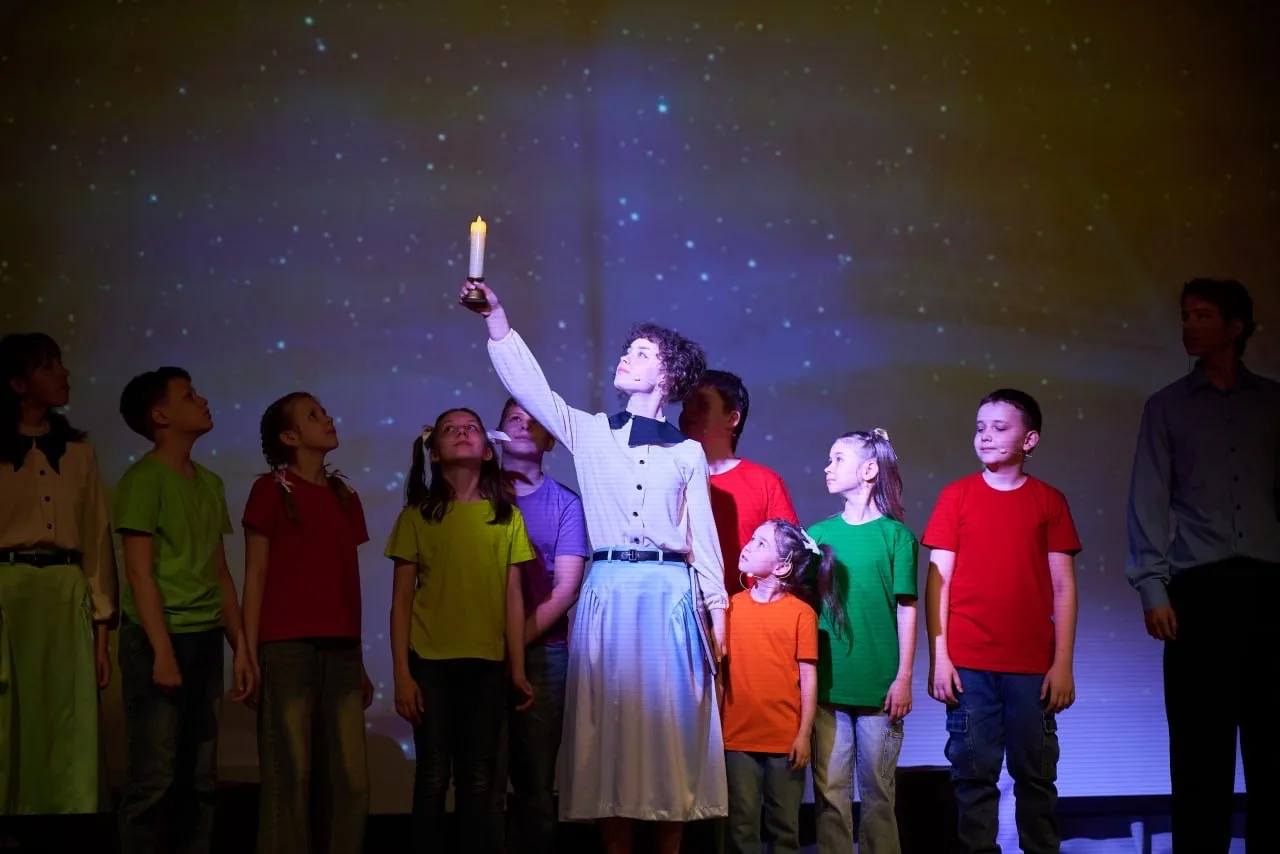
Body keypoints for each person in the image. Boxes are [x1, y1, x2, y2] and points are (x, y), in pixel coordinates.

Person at [462, 281, 728, 854]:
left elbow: (701, 540)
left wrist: (718, 615)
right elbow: (530, 388)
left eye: (641, 353)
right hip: (609, 591)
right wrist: (495, 318)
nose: (626, 357)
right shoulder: (589, 432)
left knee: (670, 730)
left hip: (668, 594)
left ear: (667, 376)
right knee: (610, 730)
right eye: (627, 349)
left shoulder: (686, 453)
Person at [1124, 278, 1279, 853]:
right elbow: (1147, 500)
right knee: (1198, 755)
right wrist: (1152, 588)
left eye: (1203, 315)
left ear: (1235, 327)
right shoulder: (1166, 406)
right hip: (1200, 593)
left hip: (1269, 589)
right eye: (1186, 315)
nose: (1190, 325)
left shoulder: (1273, 404)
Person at [923, 389, 1080, 854]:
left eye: (999, 427)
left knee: (1036, 777)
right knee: (973, 776)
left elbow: (1064, 587)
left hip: (1032, 666)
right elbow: (938, 583)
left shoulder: (1048, 501)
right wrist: (940, 658)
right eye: (980, 428)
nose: (986, 436)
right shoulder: (956, 496)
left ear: (1029, 440)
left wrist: (1063, 664)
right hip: (969, 664)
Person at [114, 366, 255, 854]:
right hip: (159, 637)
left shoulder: (209, 482)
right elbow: (138, 573)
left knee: (200, 776)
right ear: (160, 415)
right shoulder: (143, 480)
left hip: (204, 636)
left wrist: (241, 648)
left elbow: (219, 571)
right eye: (189, 395)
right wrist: (161, 652)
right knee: (153, 776)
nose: (202, 400)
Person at [386, 407, 535, 852]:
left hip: (486, 662)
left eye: (471, 427)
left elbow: (513, 599)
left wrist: (517, 668)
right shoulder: (417, 516)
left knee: (478, 775)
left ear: (488, 451)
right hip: (429, 662)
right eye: (450, 429)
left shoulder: (506, 517)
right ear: (434, 453)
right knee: (433, 771)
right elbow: (401, 601)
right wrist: (402, 674)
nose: (462, 433)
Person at [241, 392, 374, 854]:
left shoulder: (345, 496)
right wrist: (247, 652)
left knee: (351, 780)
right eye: (314, 415)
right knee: (290, 776)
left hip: (341, 651)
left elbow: (346, 583)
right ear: (289, 437)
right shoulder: (271, 490)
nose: (328, 418)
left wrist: (358, 660)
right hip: (286, 648)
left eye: (324, 412)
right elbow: (256, 574)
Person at [0, 333, 116, 815]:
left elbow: (96, 540)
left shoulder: (79, 453)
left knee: (66, 714)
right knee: (10, 711)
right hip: (8, 593)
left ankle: (64, 821)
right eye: (48, 366)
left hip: (66, 593)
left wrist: (102, 634)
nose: (63, 373)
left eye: (60, 363)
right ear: (18, 383)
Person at [808, 428, 918, 854]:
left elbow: (906, 609)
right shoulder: (817, 536)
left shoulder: (897, 537)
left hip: (879, 689)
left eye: (838, 458)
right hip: (828, 686)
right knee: (830, 795)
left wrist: (903, 678)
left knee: (879, 795)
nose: (827, 467)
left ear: (869, 470)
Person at [491, 398, 589, 854]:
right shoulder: (475, 497)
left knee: (535, 778)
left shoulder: (566, 503)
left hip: (543, 652)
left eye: (534, 421)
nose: (523, 426)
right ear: (497, 434)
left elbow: (566, 588)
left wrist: (513, 644)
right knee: (483, 774)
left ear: (551, 440)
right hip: (476, 650)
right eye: (514, 418)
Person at [721, 519, 822, 854]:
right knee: (741, 827)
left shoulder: (801, 614)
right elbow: (721, 676)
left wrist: (803, 735)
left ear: (781, 566)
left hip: (784, 740)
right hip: (737, 737)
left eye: (761, 543)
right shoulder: (731, 607)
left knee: (784, 828)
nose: (748, 546)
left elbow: (808, 678)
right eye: (752, 538)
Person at [679, 369, 798, 594]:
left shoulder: (765, 482)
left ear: (732, 418)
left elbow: (789, 555)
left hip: (747, 610)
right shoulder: (669, 479)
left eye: (702, 405)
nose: (689, 414)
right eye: (685, 406)